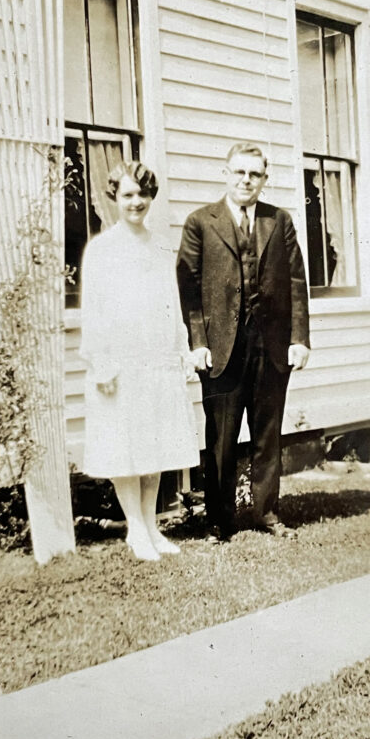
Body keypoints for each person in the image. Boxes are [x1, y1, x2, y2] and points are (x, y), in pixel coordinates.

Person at [176, 142, 310, 542]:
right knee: (222, 437)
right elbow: (189, 288)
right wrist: (198, 342)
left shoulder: (279, 220)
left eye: (254, 174)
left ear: (264, 179)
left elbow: (297, 283)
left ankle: (268, 512)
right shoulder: (201, 222)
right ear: (226, 173)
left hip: (270, 346)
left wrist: (299, 338)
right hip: (221, 348)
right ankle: (220, 520)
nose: (246, 180)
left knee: (268, 433)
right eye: (239, 172)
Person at [80, 161, 200, 561]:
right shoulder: (102, 250)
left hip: (157, 357)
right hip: (119, 359)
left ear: (152, 198)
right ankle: (135, 529)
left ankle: (151, 526)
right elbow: (93, 310)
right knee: (124, 444)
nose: (137, 202)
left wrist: (181, 351)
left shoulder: (161, 247)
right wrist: (100, 363)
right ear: (115, 197)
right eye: (128, 194)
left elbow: (173, 304)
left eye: (143, 195)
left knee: (156, 444)